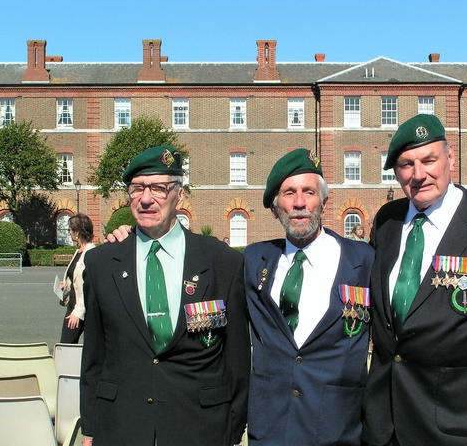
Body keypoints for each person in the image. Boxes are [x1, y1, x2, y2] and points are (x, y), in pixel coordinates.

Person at [362, 114, 467, 446]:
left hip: (457, 424)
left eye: (429, 160)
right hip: (383, 425)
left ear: (451, 158)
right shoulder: (387, 221)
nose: (419, 174)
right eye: (406, 165)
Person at [80, 145, 250, 446]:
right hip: (121, 425)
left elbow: (236, 359)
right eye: (137, 189)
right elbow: (94, 356)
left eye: (159, 188)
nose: (146, 198)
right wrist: (90, 427)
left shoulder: (222, 262)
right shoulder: (101, 263)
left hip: (201, 428)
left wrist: (233, 428)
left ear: (179, 196)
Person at [243, 149, 374, 445]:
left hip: (339, 429)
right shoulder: (253, 260)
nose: (299, 203)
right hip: (271, 429)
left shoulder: (363, 260)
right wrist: (129, 237)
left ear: (324, 203)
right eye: (289, 193)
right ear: (276, 207)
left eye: (309, 192)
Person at [60, 214, 95, 343]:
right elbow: (75, 276)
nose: (69, 232)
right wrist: (66, 284)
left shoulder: (91, 253)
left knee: (66, 345)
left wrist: (78, 312)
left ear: (78, 232)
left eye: (70, 229)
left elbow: (89, 286)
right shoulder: (79, 250)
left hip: (81, 309)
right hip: (72, 305)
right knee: (67, 344)